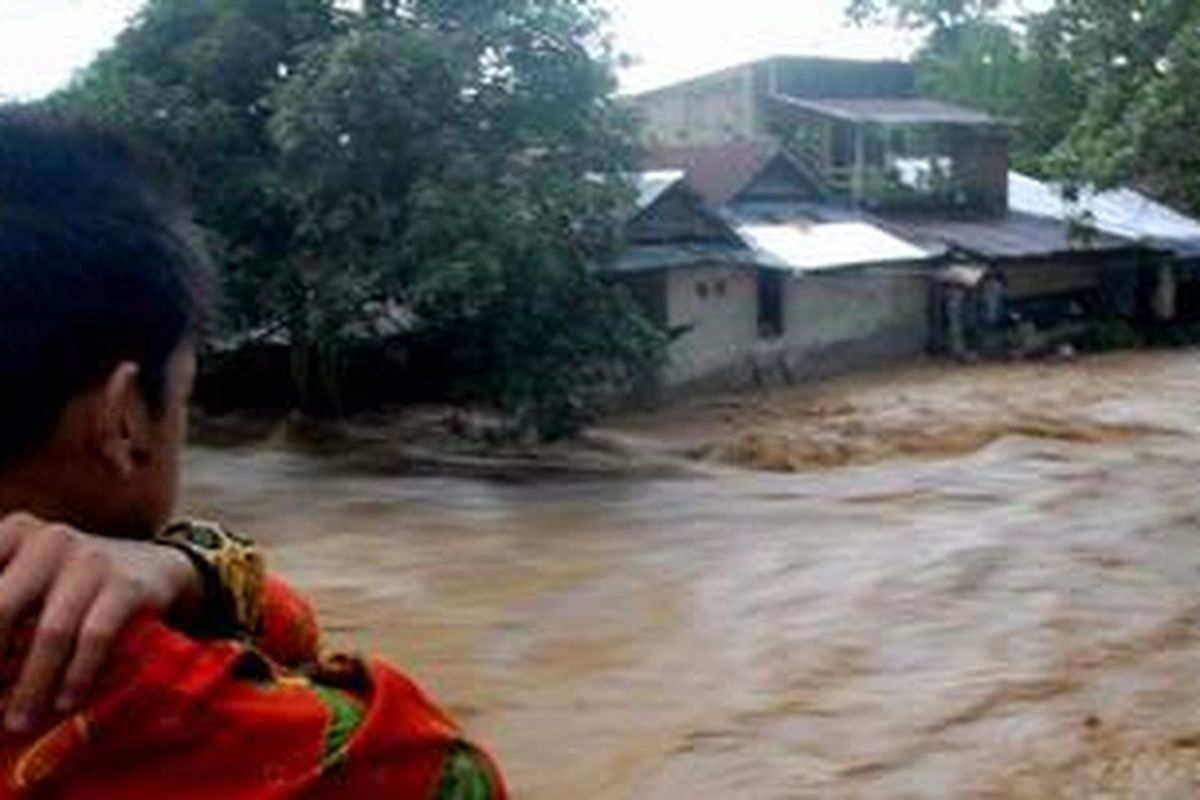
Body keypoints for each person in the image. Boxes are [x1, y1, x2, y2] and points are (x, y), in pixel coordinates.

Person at [0, 108, 505, 798]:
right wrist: (200, 573)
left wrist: (179, 570)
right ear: (123, 418)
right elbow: (458, 776)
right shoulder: (150, 697)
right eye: (184, 398)